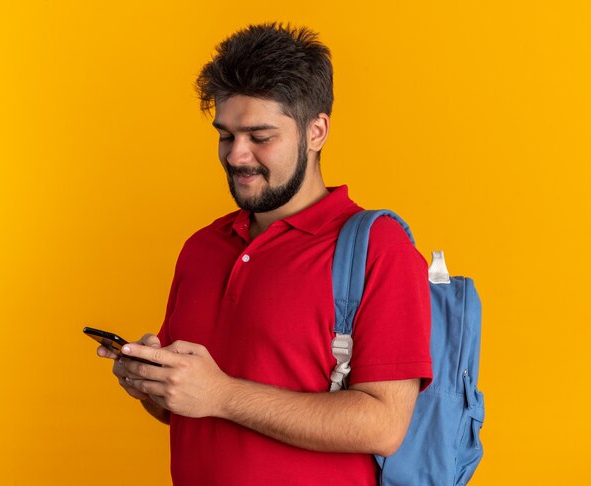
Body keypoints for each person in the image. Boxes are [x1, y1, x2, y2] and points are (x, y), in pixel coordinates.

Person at [97, 23, 432, 486]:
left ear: (316, 131)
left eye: (260, 136)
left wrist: (221, 394)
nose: (236, 156)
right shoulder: (202, 247)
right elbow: (192, 412)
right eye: (225, 135)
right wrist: (154, 384)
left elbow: (384, 425)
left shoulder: (379, 248)